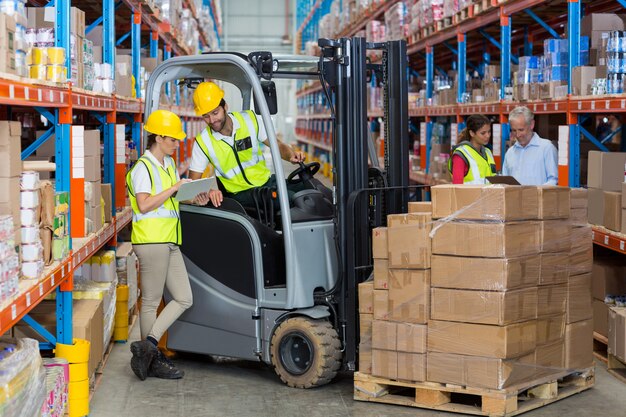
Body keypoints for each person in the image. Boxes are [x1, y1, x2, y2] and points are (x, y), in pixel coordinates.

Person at [126, 110, 211, 380]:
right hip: (151, 241)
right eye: (173, 139)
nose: (177, 144)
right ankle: (151, 361)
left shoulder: (169, 165)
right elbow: (144, 204)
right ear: (159, 137)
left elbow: (171, 201)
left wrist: (191, 198)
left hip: (170, 239)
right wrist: (174, 189)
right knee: (150, 302)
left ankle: (147, 347)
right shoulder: (143, 168)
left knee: (184, 297)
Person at [189, 81, 306, 208]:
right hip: (240, 194)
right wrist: (209, 191)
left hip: (266, 182)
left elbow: (277, 145)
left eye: (215, 113)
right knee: (292, 200)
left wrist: (291, 155)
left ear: (225, 107)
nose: (212, 120)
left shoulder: (250, 120)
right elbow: (193, 183)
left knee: (308, 188)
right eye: (206, 116)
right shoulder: (203, 141)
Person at [502, 106, 558, 185]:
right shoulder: (510, 153)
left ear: (532, 124)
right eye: (514, 130)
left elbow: (554, 180)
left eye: (521, 130)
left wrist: (534, 194)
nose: (517, 135)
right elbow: (505, 182)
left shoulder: (547, 148)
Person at [448, 114, 496, 184]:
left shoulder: (488, 152)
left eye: (489, 132)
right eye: (483, 133)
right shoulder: (461, 155)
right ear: (472, 133)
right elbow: (457, 187)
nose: (488, 136)